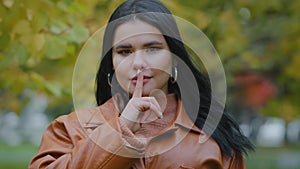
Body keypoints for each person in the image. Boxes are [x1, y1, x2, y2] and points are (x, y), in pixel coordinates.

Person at [29, 0, 254, 168]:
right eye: (124, 51)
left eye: (152, 48)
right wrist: (122, 128)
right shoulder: (70, 129)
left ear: (174, 56)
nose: (138, 63)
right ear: (112, 63)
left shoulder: (213, 138)